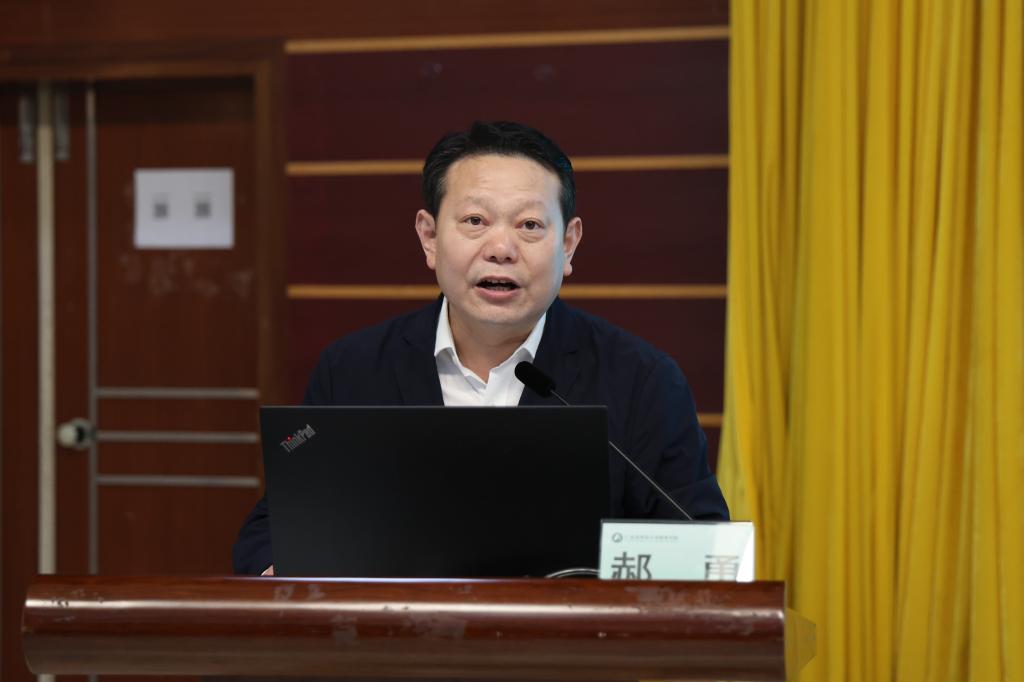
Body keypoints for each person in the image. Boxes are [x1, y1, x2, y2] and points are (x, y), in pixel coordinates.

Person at [233, 121, 729, 575]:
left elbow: (701, 547)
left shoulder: (643, 381)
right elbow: (274, 529)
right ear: (429, 237)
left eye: (530, 225)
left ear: (569, 244)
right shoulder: (353, 369)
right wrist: (280, 569)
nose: (501, 248)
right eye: (475, 221)